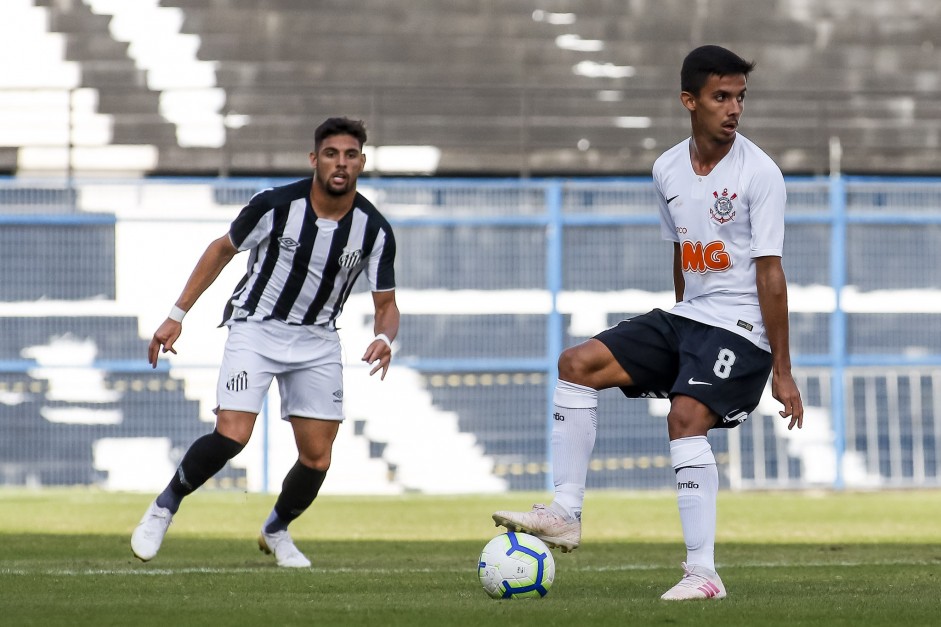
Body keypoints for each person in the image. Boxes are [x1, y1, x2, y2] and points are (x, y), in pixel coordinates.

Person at [492, 45, 804, 600]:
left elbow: (771, 276)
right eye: (720, 97)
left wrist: (783, 371)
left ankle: (703, 574)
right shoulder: (666, 168)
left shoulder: (761, 174)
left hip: (741, 330)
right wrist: (679, 328)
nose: (733, 109)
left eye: (739, 98)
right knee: (576, 364)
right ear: (690, 101)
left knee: (684, 418)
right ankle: (565, 512)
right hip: (690, 318)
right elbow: (682, 254)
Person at [131, 117, 399, 568]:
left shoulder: (375, 229)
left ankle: (276, 530)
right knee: (233, 433)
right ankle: (164, 507)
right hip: (256, 327)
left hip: (317, 340)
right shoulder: (275, 205)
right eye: (331, 154)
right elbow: (221, 250)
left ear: (362, 163)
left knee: (317, 458)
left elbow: (387, 303)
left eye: (350, 155)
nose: (341, 163)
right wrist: (177, 315)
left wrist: (384, 337)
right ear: (314, 159)